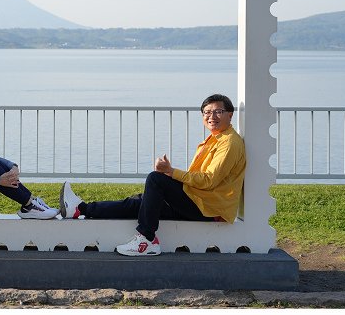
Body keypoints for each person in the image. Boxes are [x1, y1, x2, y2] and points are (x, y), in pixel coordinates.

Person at [60, 94, 246, 256]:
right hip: (198, 201)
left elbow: (209, 180)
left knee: (156, 179)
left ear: (230, 115)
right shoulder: (216, 139)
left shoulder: (229, 143)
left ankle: (146, 239)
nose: (211, 116)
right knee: (139, 203)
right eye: (206, 112)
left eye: (218, 112)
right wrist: (172, 174)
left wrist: (171, 172)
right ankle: (80, 209)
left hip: (209, 210)